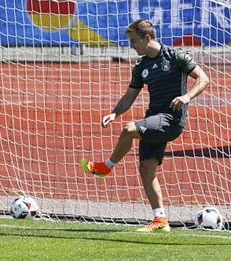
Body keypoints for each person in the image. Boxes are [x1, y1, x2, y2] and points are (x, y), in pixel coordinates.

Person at [81, 19, 209, 232]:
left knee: (130, 129)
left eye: (134, 41)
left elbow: (203, 79)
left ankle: (106, 167)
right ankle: (160, 220)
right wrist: (114, 113)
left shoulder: (175, 56)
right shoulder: (141, 66)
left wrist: (186, 96)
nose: (131, 45)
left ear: (147, 38)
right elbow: (129, 95)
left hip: (172, 120)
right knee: (146, 169)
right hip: (155, 118)